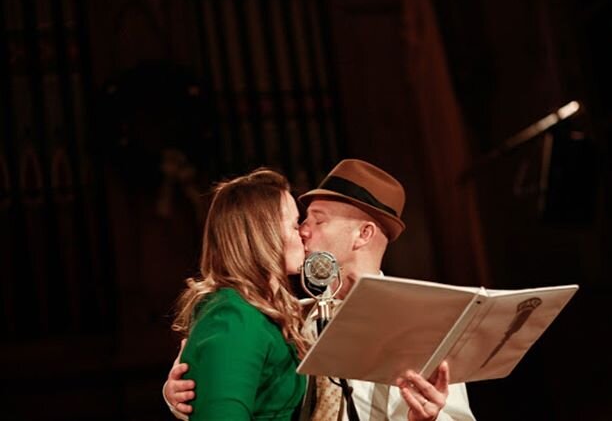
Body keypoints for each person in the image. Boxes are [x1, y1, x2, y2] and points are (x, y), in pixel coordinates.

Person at [165, 159, 476, 421]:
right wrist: (184, 389)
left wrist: (430, 418)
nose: (303, 230)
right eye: (301, 221)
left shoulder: (421, 321)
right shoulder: (293, 319)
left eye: (318, 220)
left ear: (363, 234)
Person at [169, 168, 309, 420]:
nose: (303, 234)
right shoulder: (233, 316)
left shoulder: (260, 311)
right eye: (294, 225)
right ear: (263, 234)